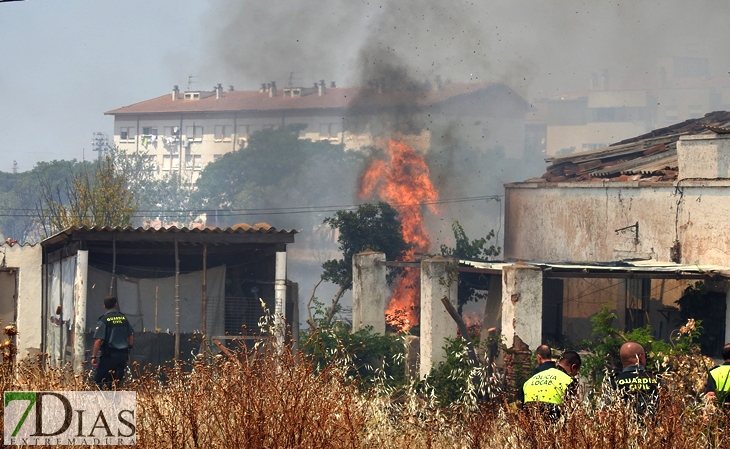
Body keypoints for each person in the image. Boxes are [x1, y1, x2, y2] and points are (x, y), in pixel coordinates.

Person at [604, 341, 659, 416]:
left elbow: (605, 412)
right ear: (640, 357)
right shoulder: (657, 379)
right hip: (654, 426)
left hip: (622, 426)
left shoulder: (612, 382)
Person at [521, 350, 582, 418]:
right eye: (575, 373)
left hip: (529, 416)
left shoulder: (533, 378)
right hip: (553, 418)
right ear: (573, 367)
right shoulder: (568, 380)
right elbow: (574, 410)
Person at [91, 295, 134, 389]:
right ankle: (115, 402)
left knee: (99, 382)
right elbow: (130, 337)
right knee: (116, 382)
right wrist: (128, 353)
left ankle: (102, 402)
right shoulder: (123, 319)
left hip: (109, 356)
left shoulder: (104, 320)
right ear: (116, 305)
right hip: (122, 356)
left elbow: (98, 340)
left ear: (105, 307)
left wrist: (94, 356)